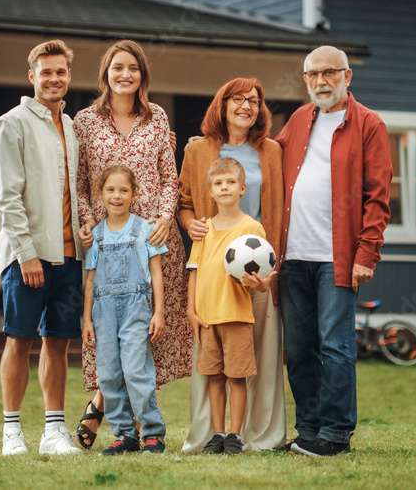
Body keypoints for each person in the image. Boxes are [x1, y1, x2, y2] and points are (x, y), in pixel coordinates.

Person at [73, 40, 191, 449]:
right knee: (111, 334)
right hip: (106, 244)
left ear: (143, 75)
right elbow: (80, 180)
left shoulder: (157, 117)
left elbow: (167, 175)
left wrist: (162, 218)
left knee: (146, 333)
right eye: (118, 67)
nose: (126, 75)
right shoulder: (84, 122)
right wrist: (88, 220)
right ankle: (117, 415)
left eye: (134, 68)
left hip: (154, 241)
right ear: (105, 72)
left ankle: (131, 421)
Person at [275, 45, 392, 457]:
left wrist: (367, 254)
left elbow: (378, 198)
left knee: (336, 346)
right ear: (305, 79)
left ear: (347, 76)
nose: (321, 81)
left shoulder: (368, 125)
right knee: (300, 349)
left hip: (337, 258)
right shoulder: (298, 120)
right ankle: (309, 430)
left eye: (329, 73)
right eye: (312, 75)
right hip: (292, 256)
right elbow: (266, 160)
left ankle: (337, 433)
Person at [0, 39, 85, 456]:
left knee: (59, 343)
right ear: (32, 77)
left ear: (68, 76)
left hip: (70, 255)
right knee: (19, 340)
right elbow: (6, 197)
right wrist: (26, 253)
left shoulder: (73, 127)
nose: (54, 78)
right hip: (28, 256)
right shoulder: (11, 124)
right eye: (46, 72)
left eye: (61, 71)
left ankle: (53, 431)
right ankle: (12, 431)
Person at [177, 78, 285, 453]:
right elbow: (185, 200)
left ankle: (255, 434)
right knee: (214, 366)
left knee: (256, 360)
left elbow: (279, 207)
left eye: (253, 100)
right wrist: (188, 220)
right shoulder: (198, 150)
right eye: (237, 99)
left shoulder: (271, 151)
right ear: (221, 105)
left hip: (256, 270)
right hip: (213, 275)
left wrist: (268, 276)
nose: (246, 106)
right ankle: (213, 434)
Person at [186, 158, 275, 455]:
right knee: (214, 377)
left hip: (236, 316)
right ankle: (217, 434)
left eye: (230, 182)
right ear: (210, 191)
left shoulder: (252, 229)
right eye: (218, 183)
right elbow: (195, 270)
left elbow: (261, 279)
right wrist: (190, 310)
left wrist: (260, 285)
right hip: (208, 318)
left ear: (242, 188)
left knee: (237, 377)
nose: (224, 187)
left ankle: (235, 434)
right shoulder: (203, 229)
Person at [81, 165, 168, 455]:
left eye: (123, 190)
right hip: (103, 312)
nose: (116, 196)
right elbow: (90, 280)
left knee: (135, 370)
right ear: (101, 194)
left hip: (135, 308)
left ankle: (153, 433)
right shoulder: (96, 235)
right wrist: (87, 321)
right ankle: (125, 435)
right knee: (108, 374)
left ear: (134, 194)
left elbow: (156, 273)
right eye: (110, 190)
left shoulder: (144, 229)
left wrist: (159, 313)